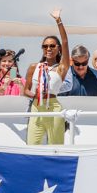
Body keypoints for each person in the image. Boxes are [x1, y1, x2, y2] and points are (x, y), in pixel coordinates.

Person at [23, 8, 72, 145]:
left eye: (51, 46)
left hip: (53, 106)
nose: (48, 49)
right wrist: (35, 95)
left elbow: (66, 42)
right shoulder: (34, 66)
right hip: (36, 106)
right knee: (32, 144)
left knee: (56, 146)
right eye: (45, 46)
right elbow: (25, 90)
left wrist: (58, 21)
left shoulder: (61, 68)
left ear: (58, 49)